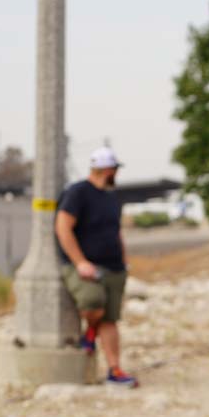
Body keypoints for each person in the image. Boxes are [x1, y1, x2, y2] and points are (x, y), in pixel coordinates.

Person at [54, 147, 139, 388]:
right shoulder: (77, 193)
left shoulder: (112, 197)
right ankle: (90, 332)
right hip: (84, 267)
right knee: (93, 304)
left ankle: (115, 370)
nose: (116, 174)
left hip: (114, 268)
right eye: (115, 170)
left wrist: (124, 261)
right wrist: (80, 262)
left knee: (110, 319)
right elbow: (63, 227)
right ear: (108, 169)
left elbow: (116, 232)